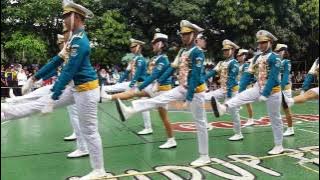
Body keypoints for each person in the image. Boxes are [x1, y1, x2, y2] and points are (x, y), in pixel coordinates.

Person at [2, 2, 106, 179]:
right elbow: (56, 61)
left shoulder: (81, 42)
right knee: (37, 105)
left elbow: (68, 71)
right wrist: (33, 78)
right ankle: (4, 113)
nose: (64, 20)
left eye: (67, 16)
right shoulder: (73, 39)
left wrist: (54, 97)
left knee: (89, 129)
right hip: (75, 88)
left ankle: (99, 170)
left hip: (87, 91)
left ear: (77, 17)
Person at [115, 20, 211, 166]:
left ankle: (204, 156)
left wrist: (189, 97)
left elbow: (196, 76)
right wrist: (159, 82)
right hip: (182, 87)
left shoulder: (197, 52)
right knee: (160, 99)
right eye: (182, 34)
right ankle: (131, 109)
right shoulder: (182, 51)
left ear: (194, 35)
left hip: (196, 91)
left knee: (200, 123)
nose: (183, 37)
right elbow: (172, 68)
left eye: (187, 34)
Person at [211, 30, 285, 155]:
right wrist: (240, 91)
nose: (260, 45)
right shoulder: (256, 57)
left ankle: (279, 145)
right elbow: (247, 74)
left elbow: (273, 77)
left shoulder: (275, 58)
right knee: (242, 96)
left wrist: (265, 93)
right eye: (259, 43)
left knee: (275, 118)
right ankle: (223, 107)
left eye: (263, 42)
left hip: (273, 91)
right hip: (258, 86)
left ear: (270, 42)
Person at [204, 39, 241, 140]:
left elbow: (232, 80)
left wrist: (228, 96)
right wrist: (201, 79)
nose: (224, 52)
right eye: (224, 50)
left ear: (232, 50)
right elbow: (212, 73)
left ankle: (238, 133)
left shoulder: (234, 63)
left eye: (227, 50)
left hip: (232, 90)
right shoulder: (221, 63)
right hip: (223, 89)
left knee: (234, 112)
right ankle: (205, 123)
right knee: (204, 97)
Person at [274, 44, 294, 136]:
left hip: (284, 88)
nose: (277, 53)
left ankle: (290, 129)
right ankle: (280, 127)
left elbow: (285, 76)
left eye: (278, 51)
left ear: (283, 51)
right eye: (276, 51)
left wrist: (280, 89)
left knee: (286, 108)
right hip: (278, 88)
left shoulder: (286, 62)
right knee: (277, 109)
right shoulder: (277, 61)